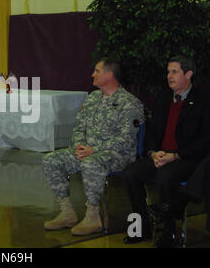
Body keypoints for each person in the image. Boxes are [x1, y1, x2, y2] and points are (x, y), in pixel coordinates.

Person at [43, 58, 144, 236]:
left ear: (109, 75)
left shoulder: (129, 103)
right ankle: (67, 212)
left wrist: (93, 150)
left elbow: (126, 139)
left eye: (97, 71)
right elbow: (79, 127)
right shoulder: (93, 98)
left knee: (91, 162)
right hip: (87, 152)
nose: (92, 74)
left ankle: (93, 216)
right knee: (51, 159)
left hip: (117, 155)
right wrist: (79, 146)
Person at [122, 56, 210, 247]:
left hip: (186, 158)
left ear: (188, 74)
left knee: (165, 176)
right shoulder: (163, 98)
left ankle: (169, 234)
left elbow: (205, 140)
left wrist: (176, 155)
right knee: (130, 173)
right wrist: (153, 152)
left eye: (174, 72)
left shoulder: (202, 100)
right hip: (161, 155)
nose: (169, 76)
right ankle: (140, 227)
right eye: (168, 71)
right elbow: (152, 130)